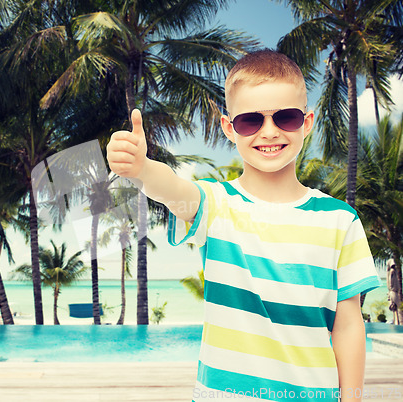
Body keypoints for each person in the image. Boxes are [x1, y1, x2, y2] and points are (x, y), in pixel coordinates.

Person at [106, 50, 381, 402]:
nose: (269, 132)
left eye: (287, 117)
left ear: (307, 122)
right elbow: (173, 189)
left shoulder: (340, 220)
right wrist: (143, 168)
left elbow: (348, 327)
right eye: (251, 121)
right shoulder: (216, 205)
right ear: (229, 129)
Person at [387, 258, 401, 325]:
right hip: (394, 292)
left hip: (393, 291)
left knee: (395, 309)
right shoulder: (392, 271)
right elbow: (391, 283)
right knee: (397, 308)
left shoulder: (390, 271)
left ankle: (396, 322)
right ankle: (398, 323)